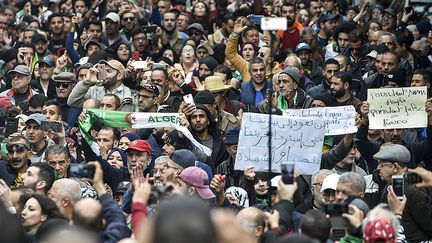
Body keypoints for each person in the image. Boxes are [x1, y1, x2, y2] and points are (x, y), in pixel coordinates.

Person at [373, 144, 432, 241]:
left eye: (381, 164)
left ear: (395, 167)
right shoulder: (389, 187)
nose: (378, 168)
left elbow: (428, 225)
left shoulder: (414, 191)